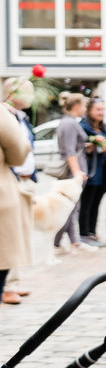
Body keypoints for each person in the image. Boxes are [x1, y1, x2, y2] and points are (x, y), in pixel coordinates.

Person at [1, 79, 38, 301]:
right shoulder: (4, 114)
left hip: (23, 179)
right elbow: (17, 152)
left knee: (13, 236)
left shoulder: (20, 117)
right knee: (8, 238)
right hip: (10, 181)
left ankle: (12, 283)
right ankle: (8, 287)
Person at [77, 98, 106, 247]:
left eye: (103, 109)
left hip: (104, 172)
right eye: (98, 109)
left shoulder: (105, 128)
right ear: (89, 110)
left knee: (97, 203)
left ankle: (92, 232)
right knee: (87, 203)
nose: (101, 113)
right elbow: (80, 148)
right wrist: (97, 147)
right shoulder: (83, 127)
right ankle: (84, 233)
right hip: (90, 171)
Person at [53, 95, 91, 254]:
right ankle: (65, 241)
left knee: (71, 207)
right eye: (84, 106)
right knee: (70, 207)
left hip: (75, 168)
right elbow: (70, 150)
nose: (85, 109)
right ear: (76, 105)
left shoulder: (69, 122)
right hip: (73, 171)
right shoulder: (69, 123)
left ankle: (70, 241)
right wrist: (77, 173)